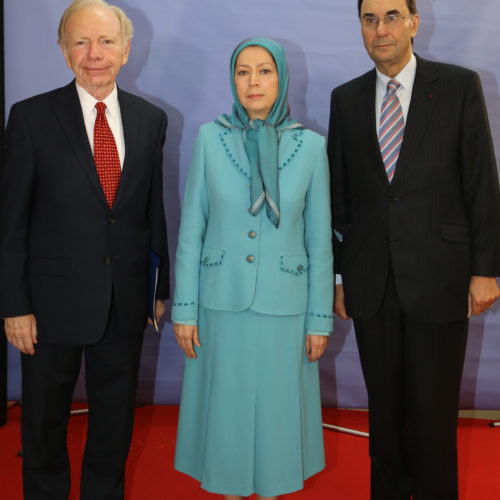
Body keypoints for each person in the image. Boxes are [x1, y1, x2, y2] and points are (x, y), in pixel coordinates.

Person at [328, 0, 500, 498]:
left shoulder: (458, 87)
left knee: (433, 421)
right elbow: (341, 199)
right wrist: (341, 278)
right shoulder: (346, 99)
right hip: (371, 285)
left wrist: (485, 269)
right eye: (369, 19)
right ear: (361, 27)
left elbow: (481, 183)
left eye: (392, 16)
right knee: (384, 421)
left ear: (414, 23)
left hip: (440, 279)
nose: (381, 28)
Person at [0, 1, 169, 498]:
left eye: (106, 41)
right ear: (62, 48)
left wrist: (160, 289)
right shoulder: (29, 118)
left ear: (127, 48)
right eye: (81, 41)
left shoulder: (150, 119)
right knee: (45, 428)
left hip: (124, 301)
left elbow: (151, 209)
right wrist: (14, 306)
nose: (94, 55)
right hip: (47, 308)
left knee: (113, 429)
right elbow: (10, 222)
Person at [172, 37, 333, 500]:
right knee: (226, 415)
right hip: (219, 303)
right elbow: (191, 230)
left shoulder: (311, 147)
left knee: (280, 417)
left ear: (282, 79)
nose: (254, 81)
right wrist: (185, 309)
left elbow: (319, 240)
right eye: (243, 71)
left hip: (287, 307)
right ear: (232, 79)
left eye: (265, 71)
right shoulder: (209, 138)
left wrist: (319, 317)